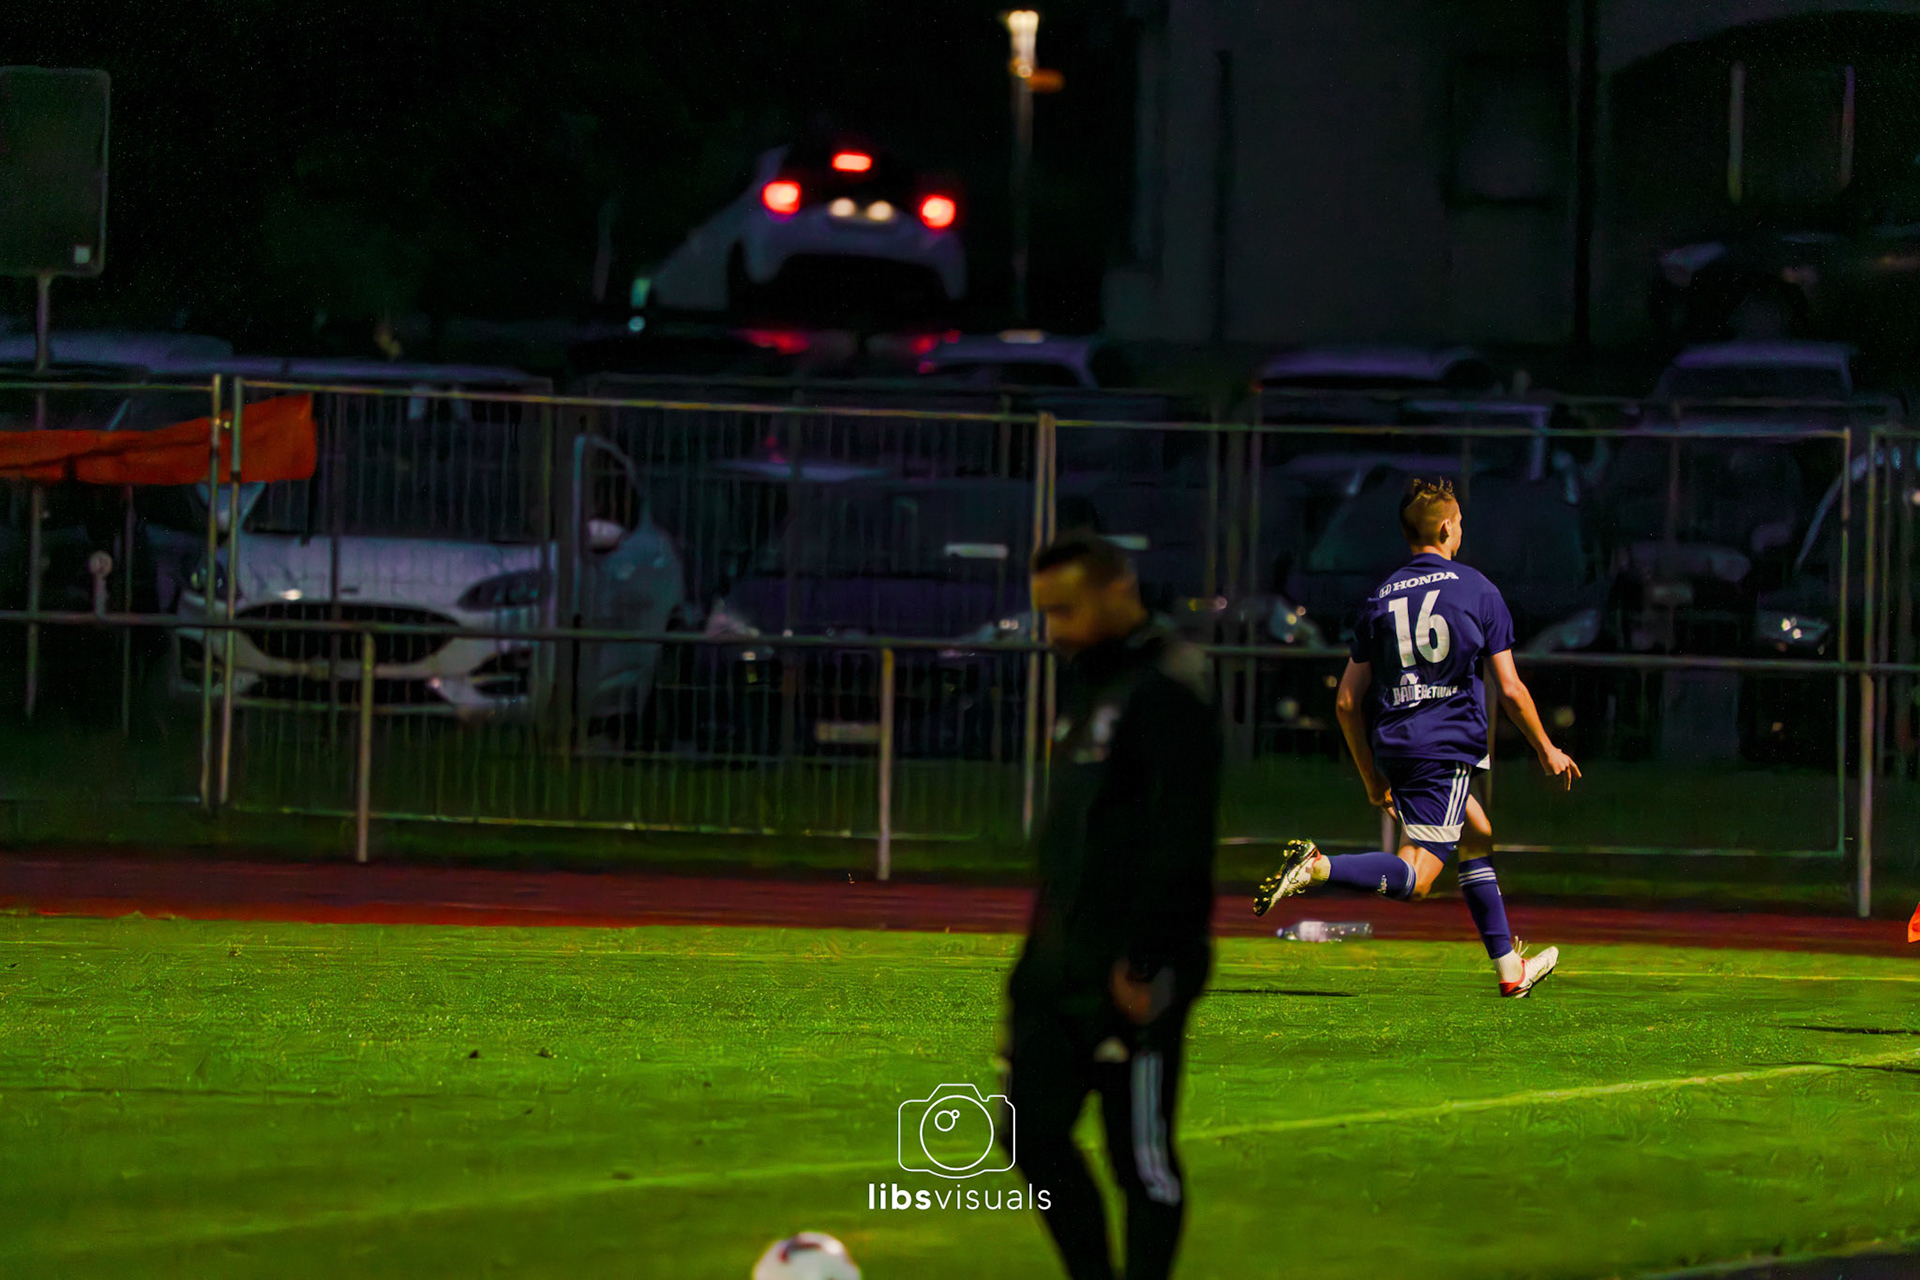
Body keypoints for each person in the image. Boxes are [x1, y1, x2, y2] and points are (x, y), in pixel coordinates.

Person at [1252, 477, 1579, 997]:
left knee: (1476, 835)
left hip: (1396, 745)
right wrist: (1547, 747)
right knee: (1417, 880)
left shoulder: (1379, 599)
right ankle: (1318, 867)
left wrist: (1369, 777)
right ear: (1448, 527)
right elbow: (1512, 689)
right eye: (1461, 524)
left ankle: (1510, 971)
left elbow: (1344, 702)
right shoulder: (1477, 589)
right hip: (1444, 747)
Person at [1001, 531, 1222, 1280]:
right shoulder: (1088, 684)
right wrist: (1029, 973)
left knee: (1143, 1162)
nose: (1054, 631)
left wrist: (1149, 963)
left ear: (1117, 592)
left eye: (1066, 611)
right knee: (1028, 1132)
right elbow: (1072, 845)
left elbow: (1179, 841)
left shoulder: (1168, 686)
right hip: (1061, 965)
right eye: (1046, 615)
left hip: (1136, 973)